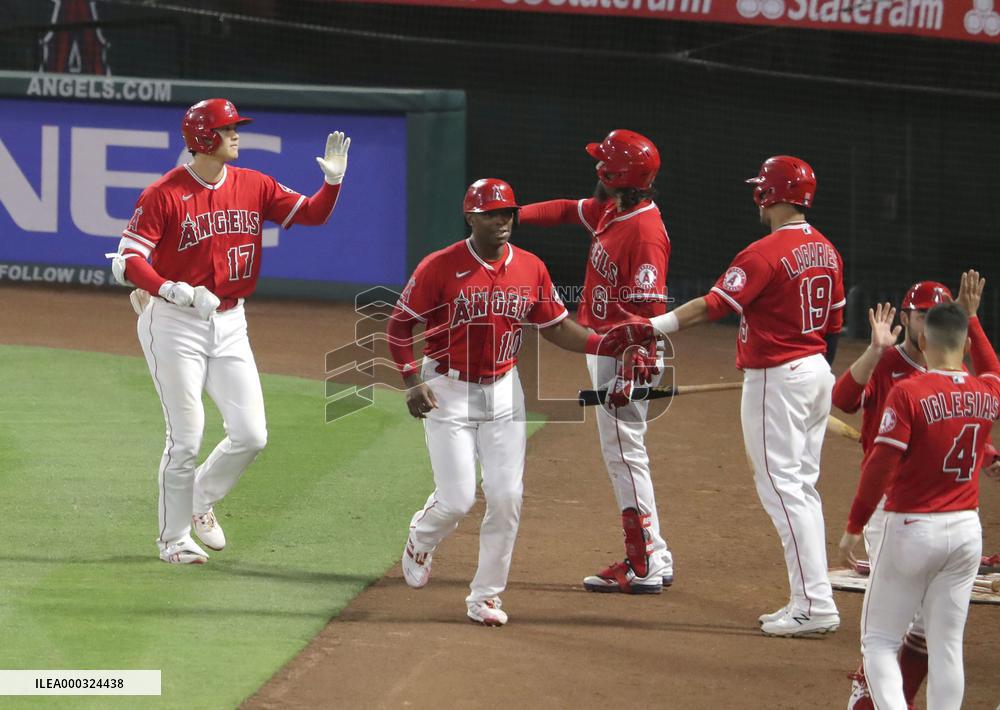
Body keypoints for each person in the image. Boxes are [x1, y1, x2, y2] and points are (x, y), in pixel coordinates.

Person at [386, 179, 652, 625]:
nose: (503, 221)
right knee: (456, 499)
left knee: (507, 496)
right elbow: (398, 328)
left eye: (508, 213)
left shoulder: (530, 267)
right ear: (470, 217)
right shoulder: (438, 267)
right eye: (492, 213)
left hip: (504, 391)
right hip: (447, 390)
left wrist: (611, 347)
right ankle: (421, 537)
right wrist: (412, 381)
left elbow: (557, 328)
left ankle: (485, 597)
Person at [107, 98, 350, 564]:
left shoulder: (253, 184)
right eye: (227, 128)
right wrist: (170, 290)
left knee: (251, 433)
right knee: (186, 436)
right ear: (202, 138)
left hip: (232, 322)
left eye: (236, 127)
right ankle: (173, 540)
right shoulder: (164, 193)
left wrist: (333, 182)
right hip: (174, 325)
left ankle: (198, 498)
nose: (236, 135)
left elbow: (313, 214)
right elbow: (129, 260)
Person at [636, 155, 846, 636]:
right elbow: (833, 327)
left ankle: (814, 605)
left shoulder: (764, 252)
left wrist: (653, 327)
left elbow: (713, 305)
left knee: (783, 490)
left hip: (779, 378)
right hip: (815, 372)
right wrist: (813, 376)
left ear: (766, 195)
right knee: (801, 489)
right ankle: (810, 599)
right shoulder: (829, 251)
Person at [517, 129, 674, 594]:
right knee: (626, 455)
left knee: (625, 456)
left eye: (601, 162)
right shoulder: (614, 209)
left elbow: (648, 314)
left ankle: (642, 562)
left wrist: (632, 367)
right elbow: (567, 209)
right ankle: (656, 553)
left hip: (626, 355)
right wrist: (513, 215)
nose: (595, 167)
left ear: (615, 174)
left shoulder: (645, 232)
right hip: (609, 348)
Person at [838, 300, 1000, 710]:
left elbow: (880, 464)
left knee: (878, 642)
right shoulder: (988, 392)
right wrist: (975, 320)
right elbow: (992, 367)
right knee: (946, 646)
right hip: (965, 532)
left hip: (911, 529)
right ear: (964, 347)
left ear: (923, 339)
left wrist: (855, 523)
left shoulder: (909, 391)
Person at [832, 283, 949, 708]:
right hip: (887, 502)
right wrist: (874, 352)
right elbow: (842, 399)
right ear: (905, 318)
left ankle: (898, 698)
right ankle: (864, 698)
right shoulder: (887, 362)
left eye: (935, 316)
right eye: (920, 315)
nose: (927, 325)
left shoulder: (949, 366)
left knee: (924, 622)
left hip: (935, 502)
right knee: (892, 618)